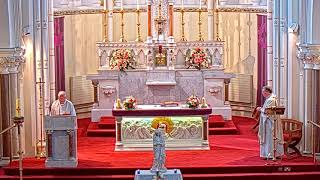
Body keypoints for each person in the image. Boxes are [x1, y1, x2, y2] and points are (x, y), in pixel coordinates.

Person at [256, 86, 284, 159]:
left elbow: (268, 112)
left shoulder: (271, 100)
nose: (262, 93)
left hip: (270, 123)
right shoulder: (270, 99)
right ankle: (272, 154)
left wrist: (260, 109)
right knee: (269, 138)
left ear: (267, 92)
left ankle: (270, 154)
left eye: (263, 92)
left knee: (269, 138)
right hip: (269, 121)